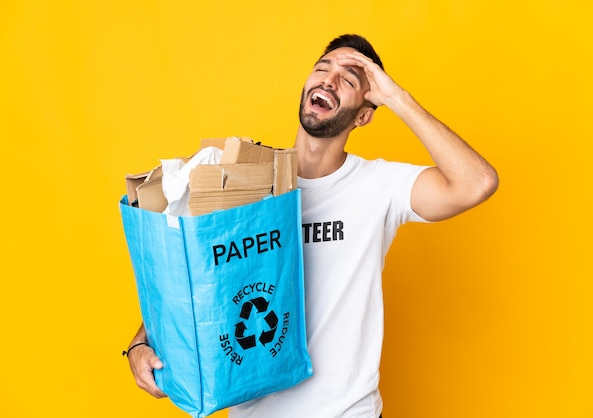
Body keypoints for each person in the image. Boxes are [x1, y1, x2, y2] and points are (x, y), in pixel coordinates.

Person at [125, 34, 499, 417]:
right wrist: (140, 342)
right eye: (322, 69)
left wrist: (395, 97)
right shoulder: (244, 182)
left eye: (349, 80)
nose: (328, 80)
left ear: (364, 114)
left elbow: (476, 183)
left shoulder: (379, 186)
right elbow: (196, 275)